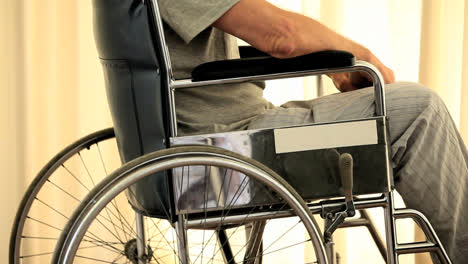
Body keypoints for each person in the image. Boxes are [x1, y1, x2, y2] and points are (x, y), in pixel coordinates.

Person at [159, 0, 468, 262]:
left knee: (396, 113)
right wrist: (361, 57)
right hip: (231, 143)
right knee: (419, 110)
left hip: (218, 134)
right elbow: (281, 35)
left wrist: (332, 62)